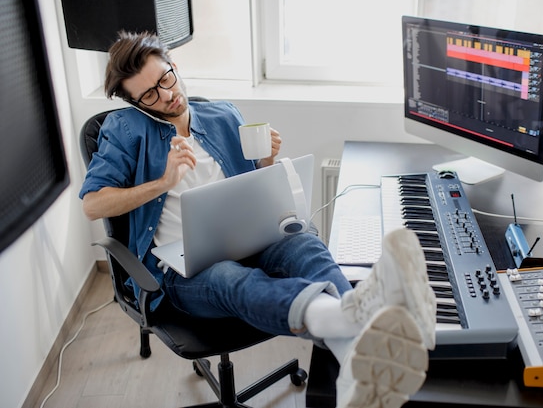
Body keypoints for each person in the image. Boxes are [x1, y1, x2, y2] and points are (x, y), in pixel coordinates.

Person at [79, 31, 437, 408]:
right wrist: (163, 182)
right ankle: (349, 319)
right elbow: (92, 204)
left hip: (246, 240)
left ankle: (351, 352)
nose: (166, 95)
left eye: (165, 78)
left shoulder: (223, 114)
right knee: (231, 278)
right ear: (136, 102)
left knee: (305, 245)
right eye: (149, 95)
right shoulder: (124, 130)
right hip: (181, 272)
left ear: (174, 66)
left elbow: (249, 188)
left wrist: (266, 164)